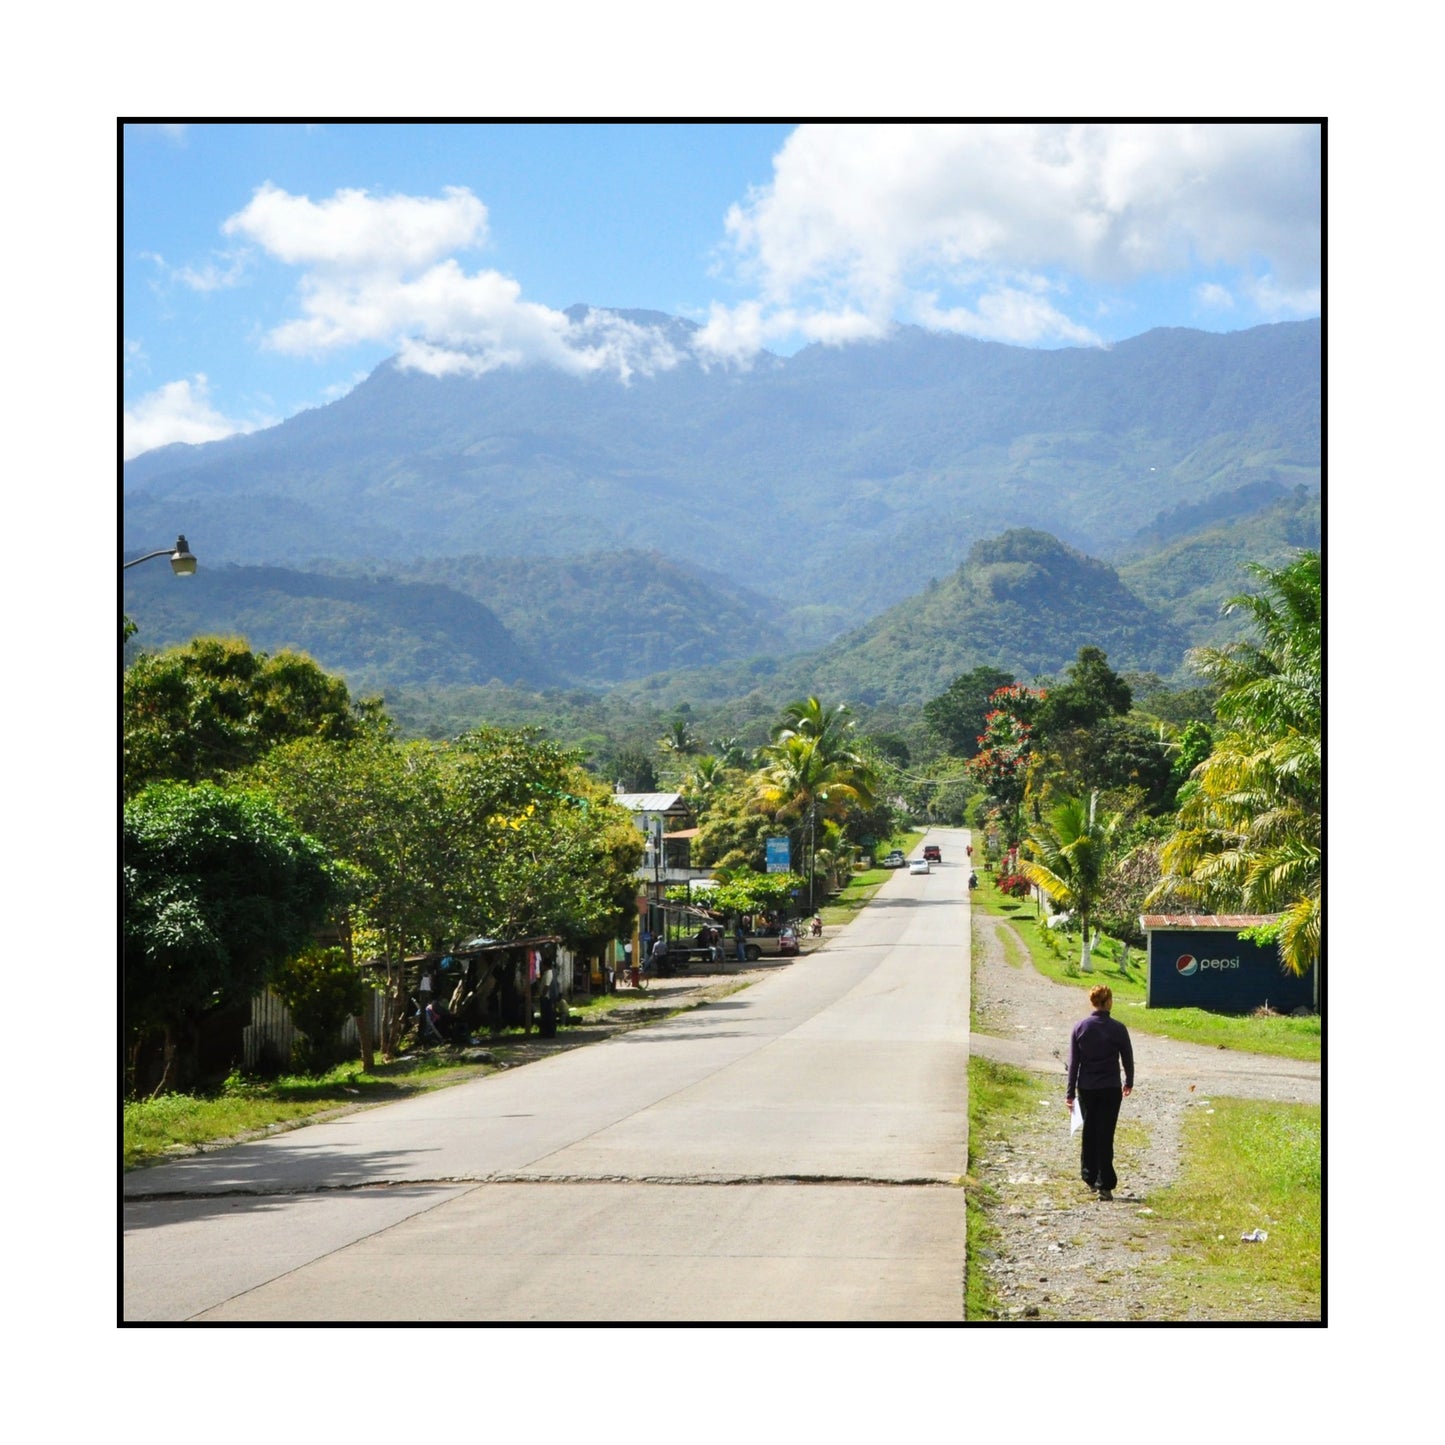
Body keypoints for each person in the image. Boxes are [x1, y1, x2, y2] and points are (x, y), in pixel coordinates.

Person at [1066, 984, 1134, 1202]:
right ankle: (1105, 1184)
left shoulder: (1080, 1027)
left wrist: (1070, 1093)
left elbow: (1074, 1063)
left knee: (1090, 1131)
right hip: (1111, 1088)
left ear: (1092, 1002)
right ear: (1109, 1002)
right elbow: (1127, 1058)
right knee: (1106, 1133)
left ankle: (1089, 1176)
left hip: (1086, 1087)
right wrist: (1129, 1081)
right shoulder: (1118, 1028)